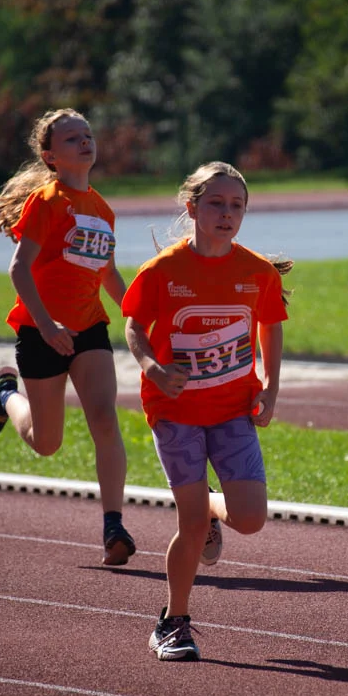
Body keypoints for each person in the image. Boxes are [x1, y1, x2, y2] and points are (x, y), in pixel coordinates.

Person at [122, 161, 291, 661]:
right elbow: (134, 327)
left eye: (237, 205)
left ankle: (216, 506)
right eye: (216, 203)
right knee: (191, 522)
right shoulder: (164, 272)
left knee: (252, 518)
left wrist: (271, 386)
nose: (227, 213)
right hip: (175, 411)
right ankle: (173, 623)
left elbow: (271, 326)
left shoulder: (255, 272)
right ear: (192, 208)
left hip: (233, 410)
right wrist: (152, 367)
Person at [0, 108, 135, 566]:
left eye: (87, 134)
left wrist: (138, 317)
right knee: (47, 443)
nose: (85, 142)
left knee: (104, 417)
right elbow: (19, 269)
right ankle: (4, 393)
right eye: (71, 139)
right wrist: (47, 325)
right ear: (50, 156)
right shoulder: (46, 202)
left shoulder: (103, 209)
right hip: (41, 332)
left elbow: (107, 273)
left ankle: (113, 525)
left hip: (89, 330)